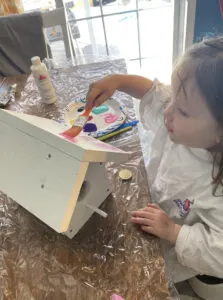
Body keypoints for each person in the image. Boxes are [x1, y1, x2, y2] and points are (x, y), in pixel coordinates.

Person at [85, 37, 223, 300]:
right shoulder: (185, 116)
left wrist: (173, 232)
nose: (167, 113)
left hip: (176, 240)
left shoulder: (216, 185)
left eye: (182, 111)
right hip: (158, 205)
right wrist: (119, 81)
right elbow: (153, 93)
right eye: (173, 100)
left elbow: (219, 251)